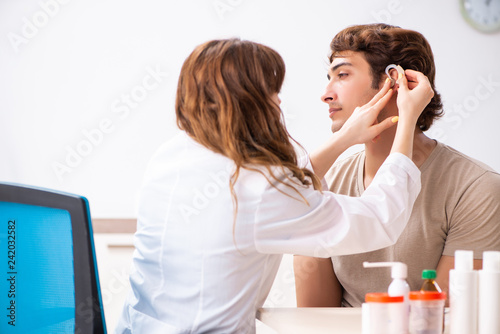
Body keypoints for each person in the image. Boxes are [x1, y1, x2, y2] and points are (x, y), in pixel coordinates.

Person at [115, 38, 433, 333]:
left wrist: (344, 138)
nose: (278, 100)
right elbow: (377, 218)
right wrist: (407, 119)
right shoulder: (260, 187)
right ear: (249, 101)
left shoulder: (172, 155)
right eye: (271, 90)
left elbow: (283, 186)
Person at [294, 23, 500, 308]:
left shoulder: (476, 188)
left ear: (395, 81)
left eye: (342, 75)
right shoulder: (323, 179)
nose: (326, 94)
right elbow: (314, 319)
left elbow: (441, 316)